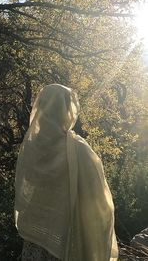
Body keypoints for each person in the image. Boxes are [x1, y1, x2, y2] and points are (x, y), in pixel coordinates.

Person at [14, 84, 118, 261]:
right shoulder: (78, 149)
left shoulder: (32, 147)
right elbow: (100, 202)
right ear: (67, 111)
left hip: (37, 236)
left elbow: (27, 187)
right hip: (66, 238)